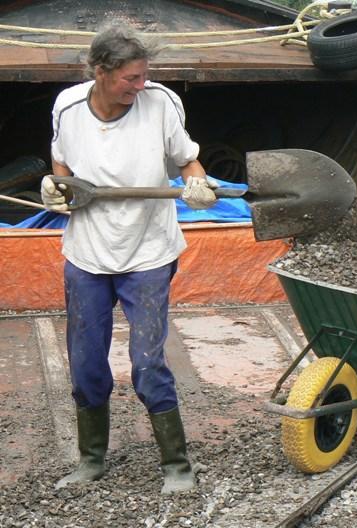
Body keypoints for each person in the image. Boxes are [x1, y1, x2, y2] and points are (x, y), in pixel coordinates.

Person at [40, 23, 218, 493]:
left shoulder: (160, 103)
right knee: (85, 362)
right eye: (130, 79)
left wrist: (197, 184)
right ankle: (91, 459)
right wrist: (58, 187)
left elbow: (187, 161)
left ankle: (177, 465)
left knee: (146, 360)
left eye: (143, 77)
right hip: (87, 252)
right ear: (100, 72)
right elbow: (62, 162)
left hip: (148, 251)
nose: (141, 87)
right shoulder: (68, 107)